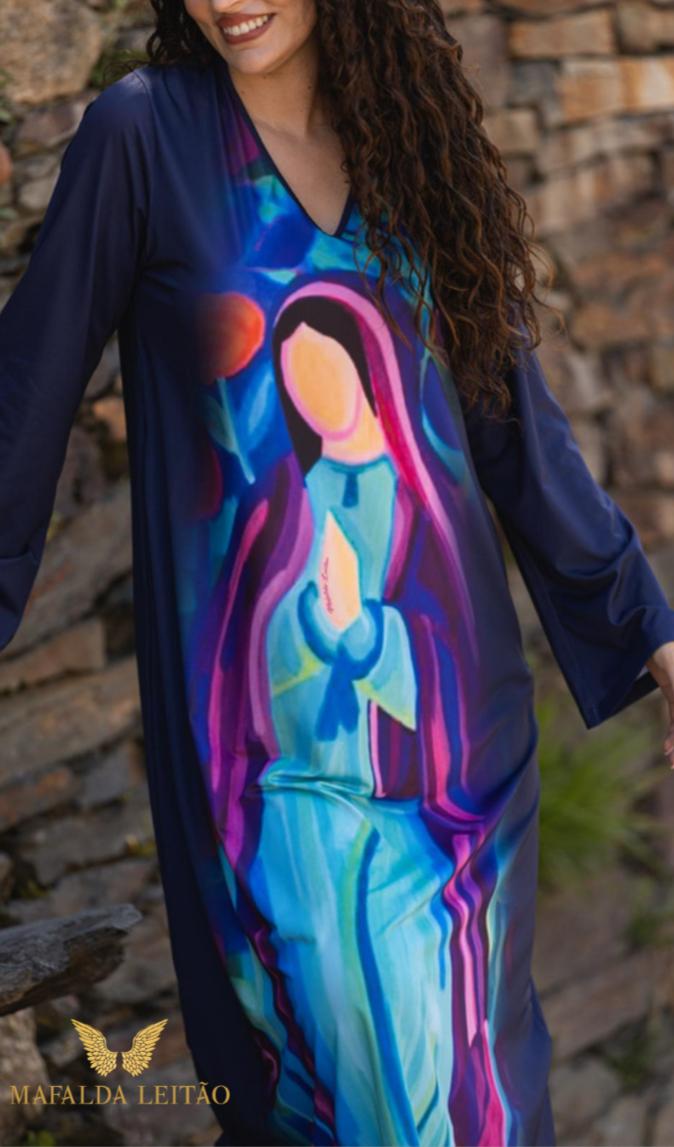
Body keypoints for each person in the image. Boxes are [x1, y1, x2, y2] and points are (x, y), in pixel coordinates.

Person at [1, 2, 673, 1144]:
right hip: (270, 768)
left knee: (482, 1107)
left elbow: (515, 429)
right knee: (357, 1097)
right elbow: (22, 400)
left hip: (455, 747)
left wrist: (647, 627)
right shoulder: (145, 138)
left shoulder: (410, 144)